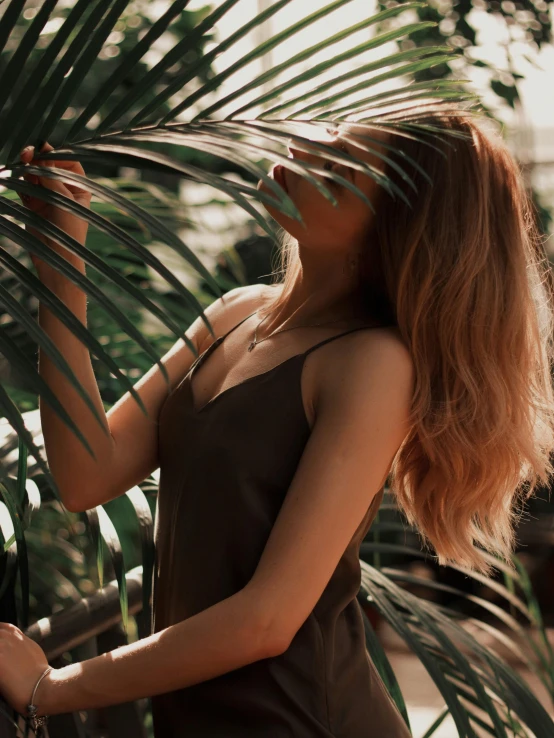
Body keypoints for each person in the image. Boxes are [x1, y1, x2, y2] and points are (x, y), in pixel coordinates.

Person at [1, 100, 553, 738]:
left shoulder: (372, 362)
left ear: (394, 222)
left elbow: (267, 620)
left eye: (342, 160)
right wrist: (61, 269)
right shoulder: (238, 313)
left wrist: (49, 688)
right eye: (327, 135)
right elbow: (86, 475)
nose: (305, 148)